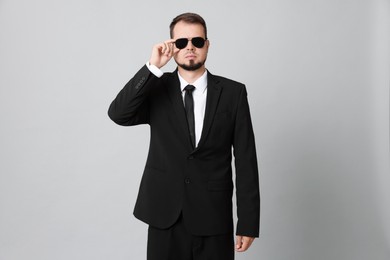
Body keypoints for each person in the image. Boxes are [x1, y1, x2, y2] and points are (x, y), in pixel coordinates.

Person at [108, 12, 260, 260]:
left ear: (207, 45)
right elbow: (118, 114)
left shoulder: (233, 93)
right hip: (164, 215)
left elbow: (245, 160)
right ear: (172, 46)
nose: (190, 47)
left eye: (197, 41)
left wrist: (248, 221)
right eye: (181, 42)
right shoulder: (156, 88)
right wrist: (152, 67)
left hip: (213, 218)